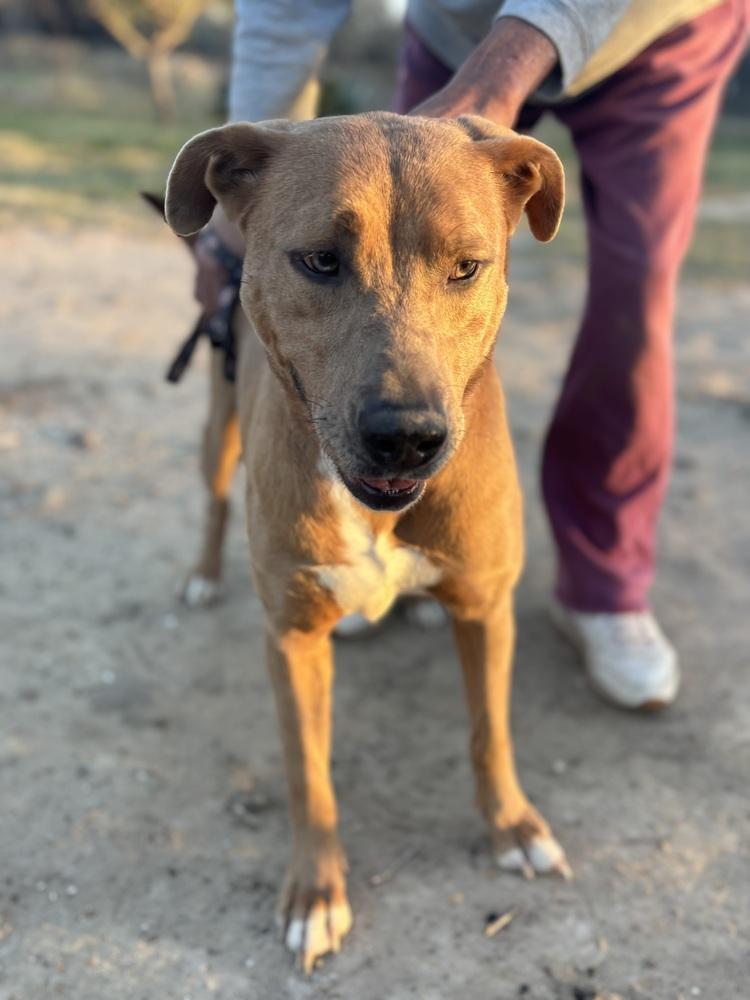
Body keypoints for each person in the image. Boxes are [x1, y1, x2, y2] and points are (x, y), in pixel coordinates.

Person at [193, 0, 749, 710]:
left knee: (633, 304)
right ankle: (371, 559)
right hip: (457, 28)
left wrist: (496, 77)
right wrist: (248, 205)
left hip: (655, 32)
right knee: (386, 224)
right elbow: (284, 12)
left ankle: (605, 586)